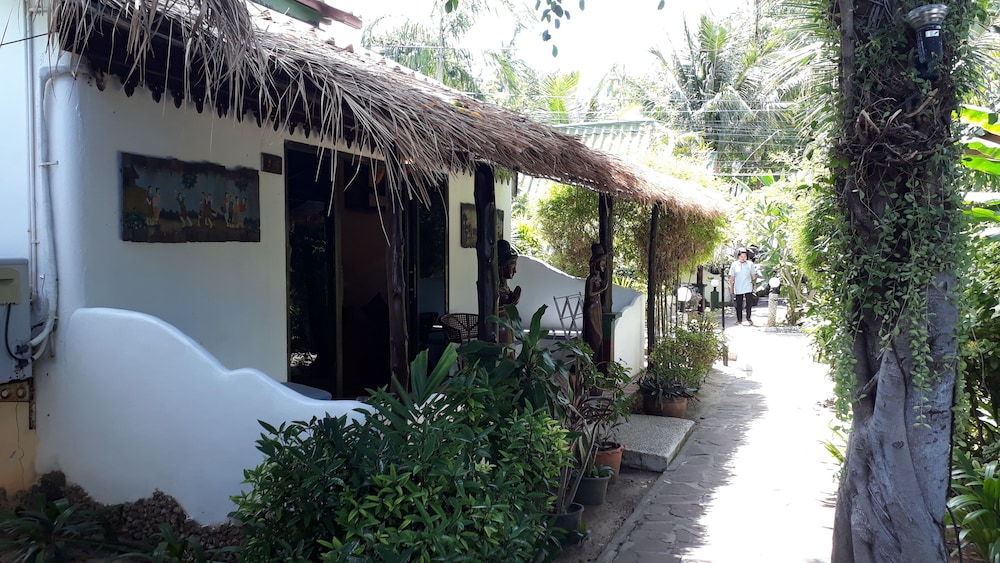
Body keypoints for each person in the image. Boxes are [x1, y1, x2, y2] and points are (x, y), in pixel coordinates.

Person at [583, 243, 609, 359]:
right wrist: (602, 289)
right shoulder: (591, 279)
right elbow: (589, 294)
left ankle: (595, 362)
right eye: (602, 261)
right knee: (594, 337)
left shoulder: (598, 278)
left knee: (599, 336)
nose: (604, 264)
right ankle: (590, 362)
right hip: (591, 308)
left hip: (597, 307)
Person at [497, 240, 521, 344]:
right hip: (499, 324)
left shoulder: (504, 284)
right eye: (512, 266)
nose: (515, 271)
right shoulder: (494, 284)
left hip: (506, 322)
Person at [728, 248, 758, 326]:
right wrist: (730, 286)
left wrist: (755, 285)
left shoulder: (750, 264)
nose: (743, 258)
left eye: (745, 256)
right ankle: (739, 320)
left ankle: (748, 318)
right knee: (739, 304)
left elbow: (753, 276)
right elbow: (732, 277)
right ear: (738, 256)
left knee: (749, 303)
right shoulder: (734, 264)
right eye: (741, 256)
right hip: (738, 287)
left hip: (748, 286)